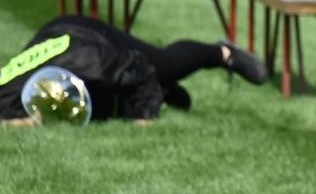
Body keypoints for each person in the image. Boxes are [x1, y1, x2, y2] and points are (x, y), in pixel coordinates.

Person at [1, 14, 268, 124]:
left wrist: (146, 114)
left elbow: (138, 67)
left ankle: (223, 53)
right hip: (61, 61)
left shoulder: (88, 59)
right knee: (102, 107)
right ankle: (165, 91)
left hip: (84, 39)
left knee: (162, 66)